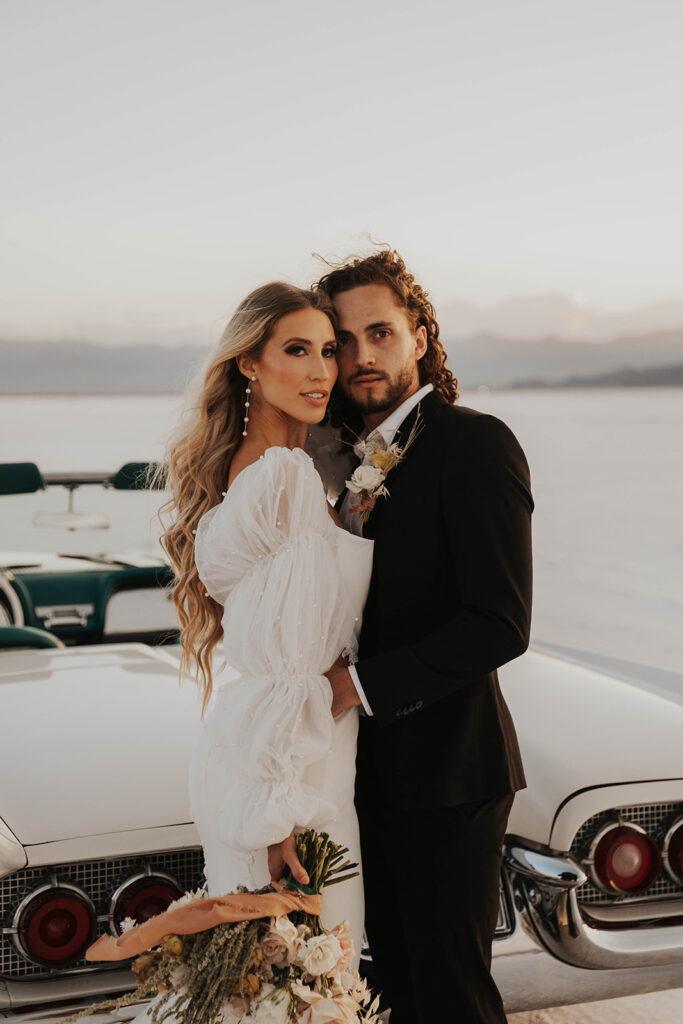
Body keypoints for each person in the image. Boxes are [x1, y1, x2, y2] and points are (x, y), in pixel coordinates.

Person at [127, 282, 374, 1022]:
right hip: (291, 774)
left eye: (328, 351)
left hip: (256, 754)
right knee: (303, 988)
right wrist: (277, 815)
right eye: (295, 350)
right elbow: (289, 664)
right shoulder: (285, 477)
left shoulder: (259, 466)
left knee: (260, 993)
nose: (320, 371)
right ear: (248, 365)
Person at [316, 250, 534, 1024]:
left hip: (447, 771)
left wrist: (357, 687)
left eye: (380, 332)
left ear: (418, 336)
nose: (361, 355)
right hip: (362, 770)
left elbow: (499, 623)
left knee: (450, 998)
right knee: (397, 991)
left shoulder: (473, 443)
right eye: (342, 340)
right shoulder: (341, 458)